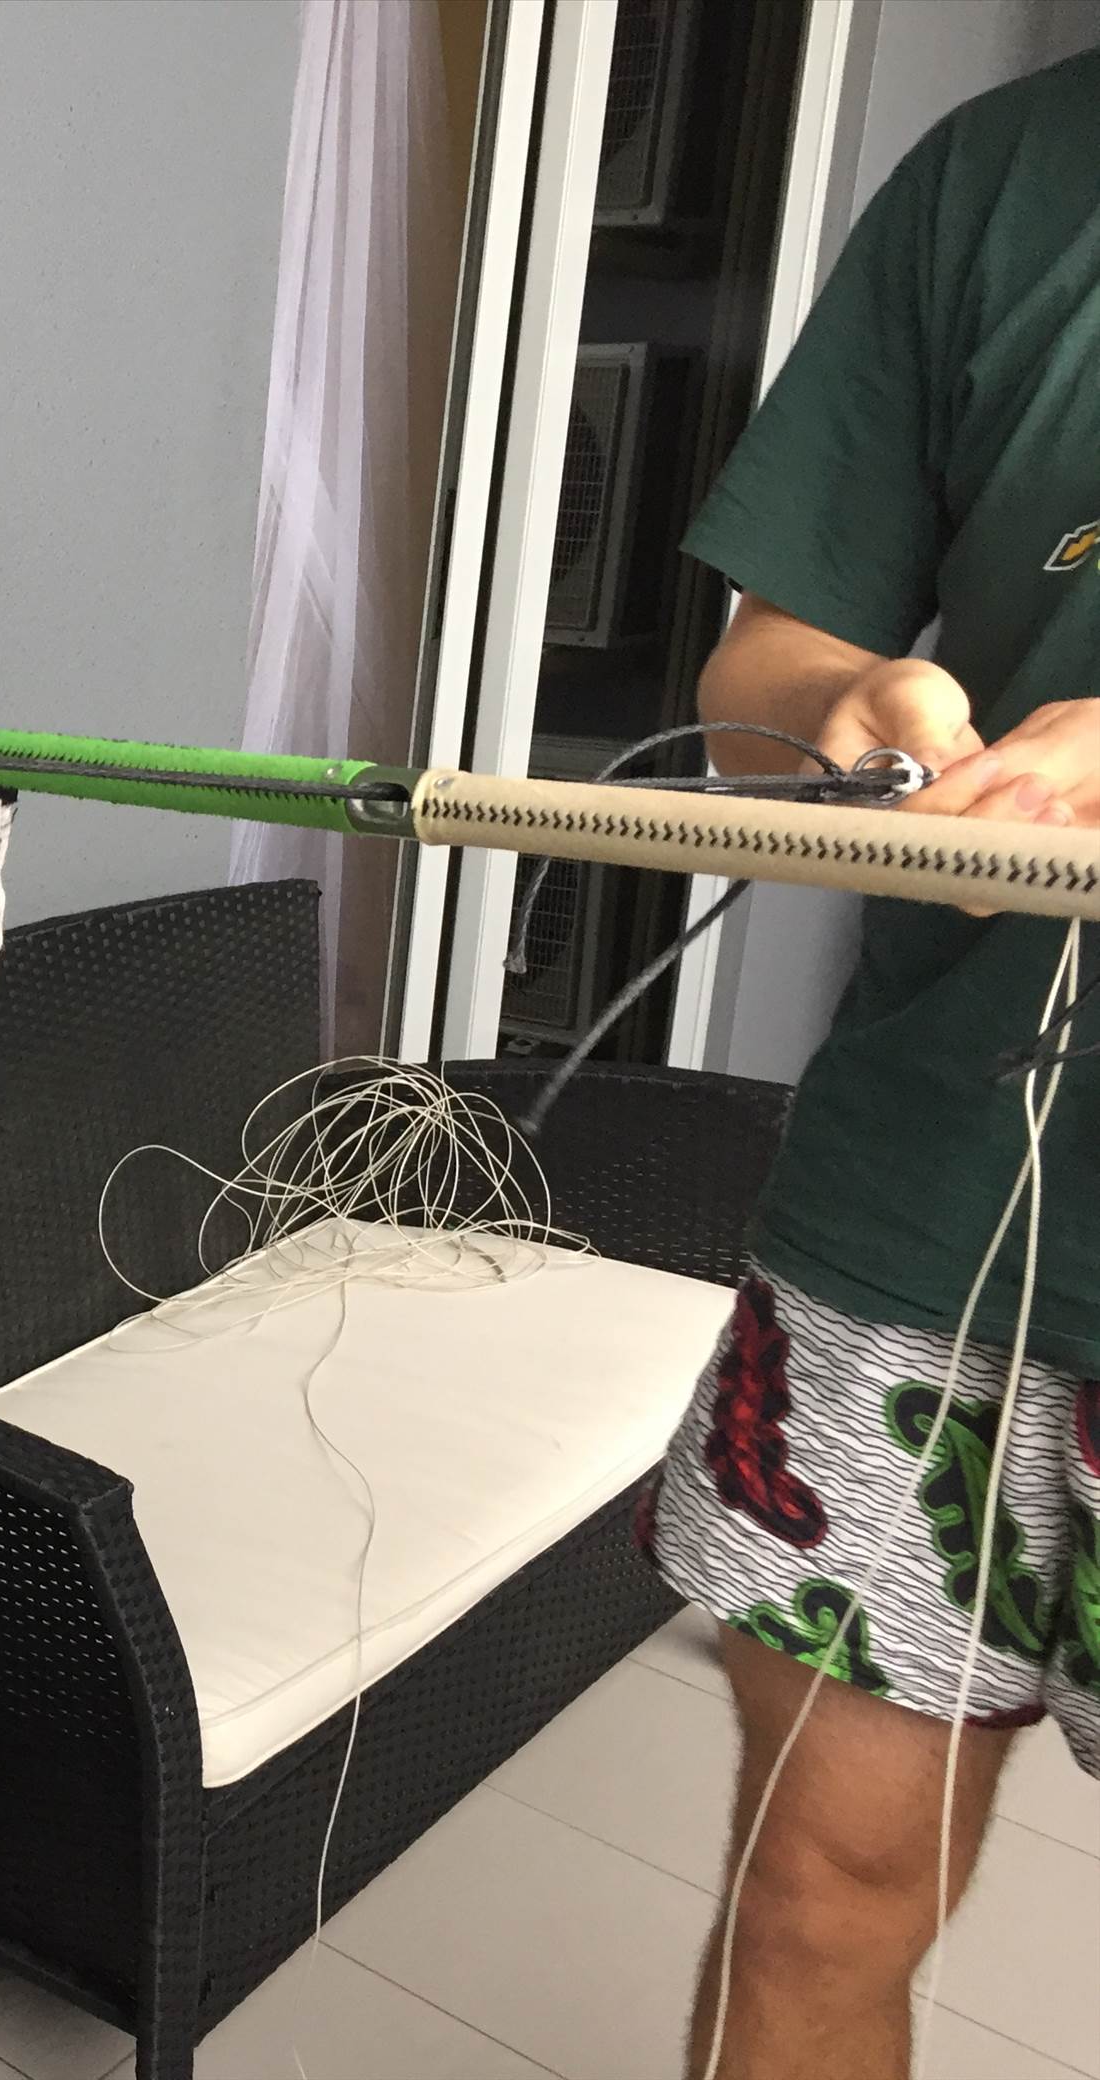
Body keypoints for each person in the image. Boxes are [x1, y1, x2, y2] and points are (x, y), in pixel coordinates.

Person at [641, 47, 1096, 2080]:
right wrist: (846, 703)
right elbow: (760, 666)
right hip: (920, 1207)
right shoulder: (1002, 173)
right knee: (812, 1899)